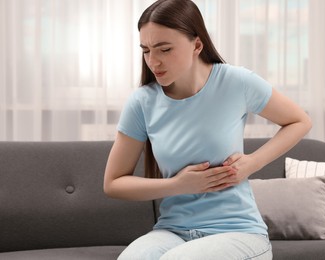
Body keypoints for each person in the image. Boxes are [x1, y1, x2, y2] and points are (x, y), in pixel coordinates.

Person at [103, 0, 311, 259]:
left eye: (164, 49)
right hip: (173, 231)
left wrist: (253, 163)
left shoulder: (236, 82)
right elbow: (113, 183)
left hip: (238, 232)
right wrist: (177, 184)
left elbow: (299, 121)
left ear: (197, 45)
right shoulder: (142, 102)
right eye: (146, 50)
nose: (153, 61)